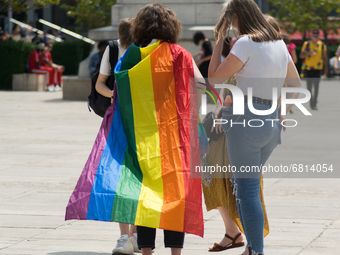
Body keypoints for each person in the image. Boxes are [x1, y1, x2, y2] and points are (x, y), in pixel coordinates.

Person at [98, 4, 205, 255]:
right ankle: (175, 253)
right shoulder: (179, 53)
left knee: (144, 195)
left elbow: (119, 90)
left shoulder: (132, 53)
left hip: (140, 137)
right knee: (174, 196)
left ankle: (146, 251)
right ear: (171, 26)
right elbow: (199, 84)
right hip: (174, 136)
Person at [208, 0, 301, 254]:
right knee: (247, 187)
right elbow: (296, 85)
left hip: (245, 119)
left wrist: (218, 40)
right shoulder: (278, 43)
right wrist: (281, 113)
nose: (231, 24)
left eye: (230, 18)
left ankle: (256, 250)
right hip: (269, 120)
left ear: (237, 15)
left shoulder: (247, 43)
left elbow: (214, 78)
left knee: (246, 190)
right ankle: (252, 247)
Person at [95, 18, 139, 255]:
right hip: (118, 122)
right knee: (120, 175)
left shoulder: (146, 51)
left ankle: (133, 233)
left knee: (137, 175)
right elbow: (100, 84)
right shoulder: (112, 50)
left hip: (141, 121)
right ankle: (126, 235)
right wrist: (114, 93)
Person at [299, 28, 328, 110]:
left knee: (316, 86)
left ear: (318, 35)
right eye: (314, 33)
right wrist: (308, 53)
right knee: (309, 87)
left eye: (317, 33)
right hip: (308, 68)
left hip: (318, 69)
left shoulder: (322, 45)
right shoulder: (306, 44)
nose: (315, 35)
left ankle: (314, 103)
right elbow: (301, 56)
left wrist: (326, 68)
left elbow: (325, 57)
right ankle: (311, 101)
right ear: (311, 35)